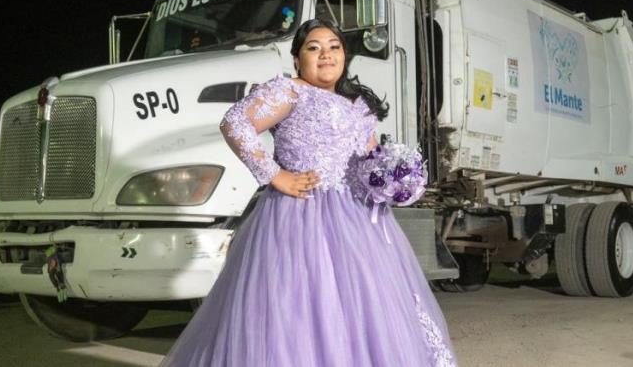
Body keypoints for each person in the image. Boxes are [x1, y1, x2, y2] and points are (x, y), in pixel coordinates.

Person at [160, 18, 457, 367]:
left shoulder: (357, 103)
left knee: (363, 307)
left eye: (334, 46)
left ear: (345, 55)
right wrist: (275, 175)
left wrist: (393, 182)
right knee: (298, 308)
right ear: (298, 59)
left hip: (359, 221)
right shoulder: (289, 91)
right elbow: (235, 123)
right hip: (300, 215)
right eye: (313, 48)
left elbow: (369, 156)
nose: (326, 54)